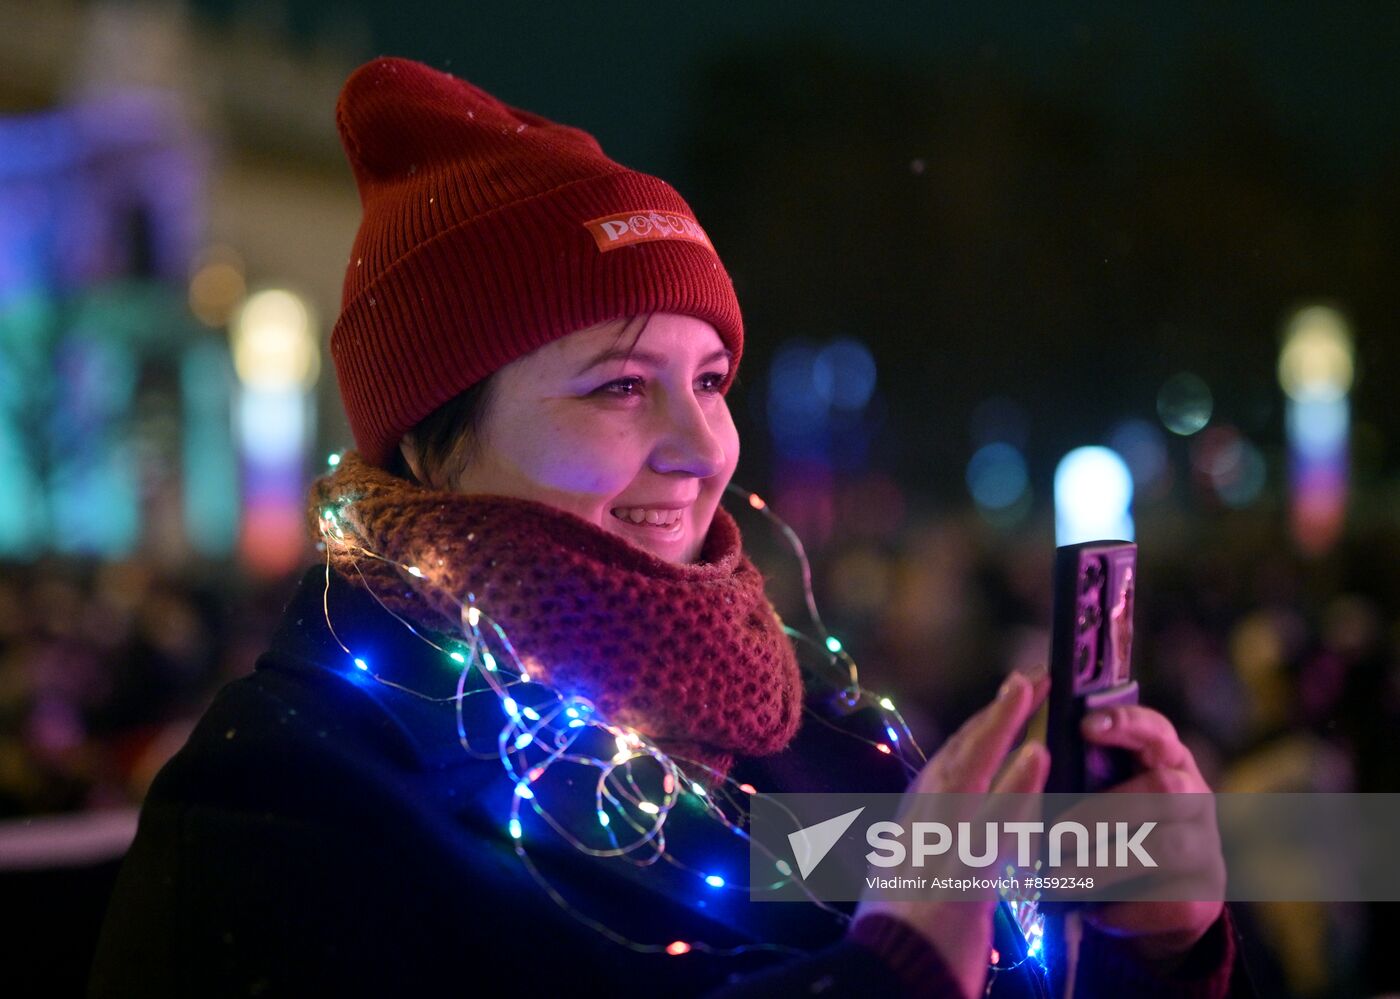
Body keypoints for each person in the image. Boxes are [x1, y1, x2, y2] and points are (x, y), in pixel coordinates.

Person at [90, 57, 1236, 997]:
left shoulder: (797, 734)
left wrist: (1158, 942)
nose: (705, 449)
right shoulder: (282, 806)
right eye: (619, 386)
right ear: (436, 440)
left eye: (711, 379)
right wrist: (884, 981)